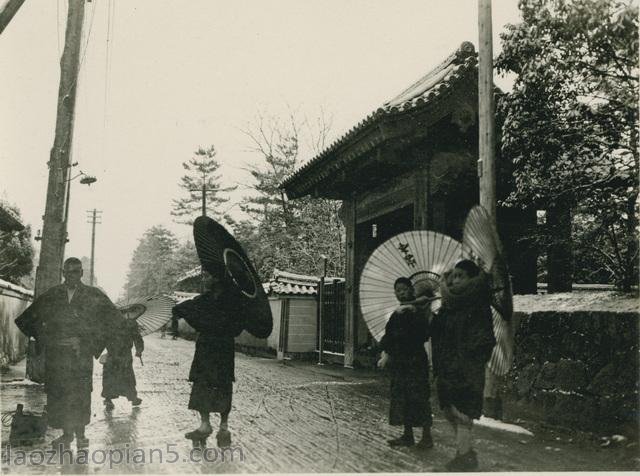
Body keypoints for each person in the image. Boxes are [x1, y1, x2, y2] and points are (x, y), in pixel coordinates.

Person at [14, 257, 123, 449]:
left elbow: (113, 322)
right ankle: (66, 435)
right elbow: (26, 319)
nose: (71, 275)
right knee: (60, 393)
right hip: (57, 356)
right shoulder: (53, 295)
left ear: (82, 273)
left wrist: (86, 342)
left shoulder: (94, 295)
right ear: (63, 273)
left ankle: (81, 435)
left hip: (81, 356)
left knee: (80, 393)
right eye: (67, 271)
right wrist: (47, 338)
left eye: (75, 271)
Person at [431, 259, 496, 471]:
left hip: (467, 368)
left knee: (464, 412)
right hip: (446, 367)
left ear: (472, 278)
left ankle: (465, 456)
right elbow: (437, 334)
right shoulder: (448, 306)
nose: (456, 280)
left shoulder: (478, 304)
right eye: (454, 276)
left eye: (461, 276)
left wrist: (469, 357)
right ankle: (466, 452)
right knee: (449, 410)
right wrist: (431, 316)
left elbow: (485, 338)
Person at [171, 268, 244, 448]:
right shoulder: (235, 301)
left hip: (209, 347)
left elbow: (184, 310)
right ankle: (220, 428)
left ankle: (211, 426)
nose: (205, 278)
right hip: (223, 347)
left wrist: (187, 314)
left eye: (209, 275)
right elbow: (238, 327)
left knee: (209, 382)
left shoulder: (205, 300)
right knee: (218, 383)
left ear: (218, 279)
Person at [377, 277, 433, 449]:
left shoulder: (420, 310)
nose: (400, 293)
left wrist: (412, 312)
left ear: (411, 290)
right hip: (401, 361)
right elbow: (388, 335)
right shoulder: (397, 312)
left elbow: (423, 334)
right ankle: (407, 435)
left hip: (415, 359)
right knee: (403, 397)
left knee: (419, 396)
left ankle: (427, 437)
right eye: (397, 290)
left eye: (403, 289)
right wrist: (385, 352)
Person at [101, 311, 144, 410]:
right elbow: (102, 337)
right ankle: (108, 400)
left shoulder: (130, 323)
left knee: (126, 376)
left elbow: (137, 337)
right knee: (111, 377)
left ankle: (133, 398)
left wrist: (139, 350)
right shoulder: (110, 322)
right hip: (113, 353)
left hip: (123, 354)